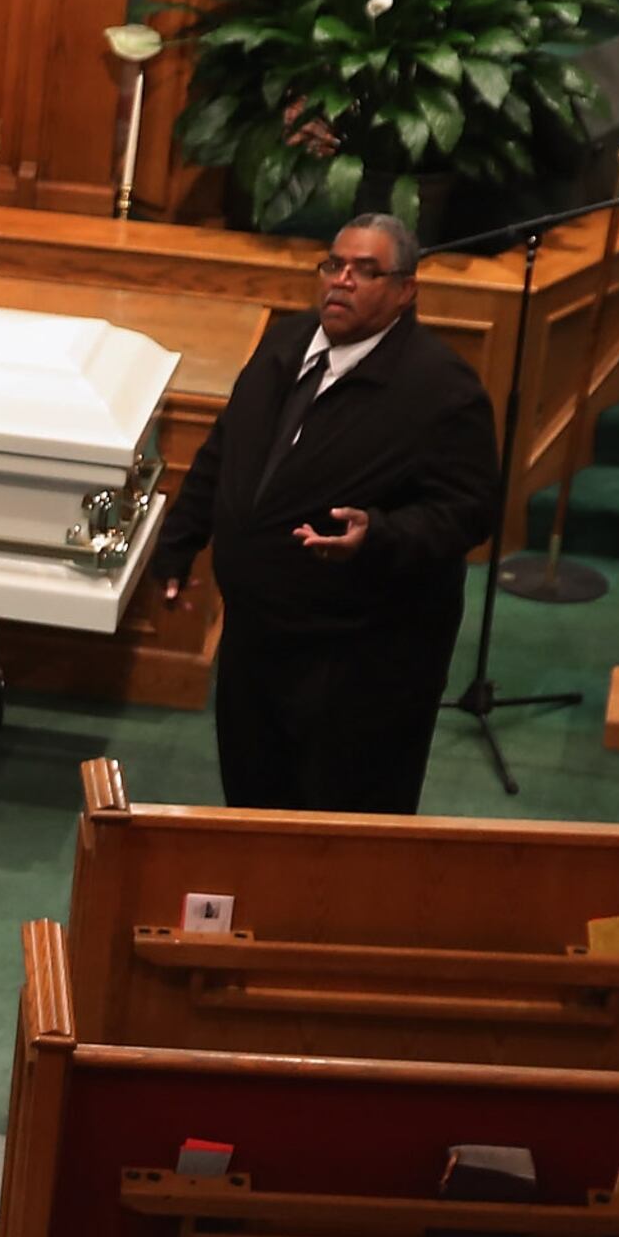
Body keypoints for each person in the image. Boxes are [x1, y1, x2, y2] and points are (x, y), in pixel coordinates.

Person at [151, 212, 504, 815]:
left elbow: (468, 511)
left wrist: (380, 534)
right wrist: (179, 543)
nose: (342, 281)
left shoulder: (440, 387)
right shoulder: (283, 344)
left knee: (338, 832)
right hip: (257, 643)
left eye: (366, 272)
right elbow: (226, 448)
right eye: (334, 265)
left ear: (406, 290)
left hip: (361, 665)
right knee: (254, 806)